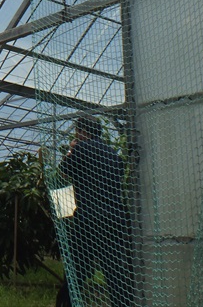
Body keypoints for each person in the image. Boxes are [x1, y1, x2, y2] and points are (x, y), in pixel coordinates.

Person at [55, 115, 135, 307]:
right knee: (115, 272)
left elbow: (63, 173)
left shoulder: (80, 149)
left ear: (82, 132)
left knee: (77, 270)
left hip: (88, 219)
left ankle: (65, 304)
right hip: (114, 220)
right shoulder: (114, 155)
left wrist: (71, 150)